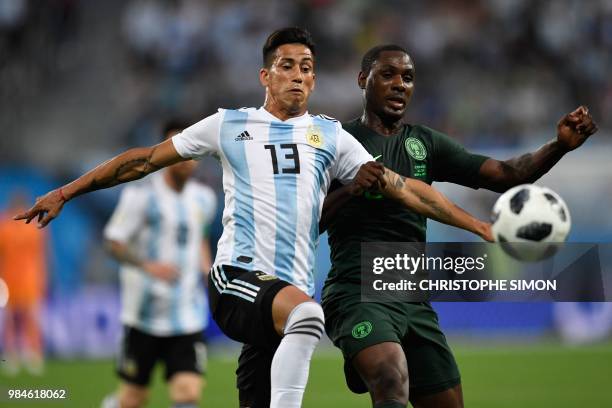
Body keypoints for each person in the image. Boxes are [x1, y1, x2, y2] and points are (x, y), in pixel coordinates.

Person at [15, 29, 492, 408]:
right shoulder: (229, 124)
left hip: (281, 305)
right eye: (287, 66)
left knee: (288, 339)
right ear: (266, 76)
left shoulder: (329, 136)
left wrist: (480, 227)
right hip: (237, 279)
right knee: (309, 316)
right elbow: (141, 161)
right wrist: (66, 191)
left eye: (307, 68)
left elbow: (408, 190)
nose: (298, 76)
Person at [319, 44, 598, 408]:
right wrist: (352, 190)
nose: (400, 84)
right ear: (362, 80)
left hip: (411, 295)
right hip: (356, 289)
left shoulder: (425, 143)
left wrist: (559, 146)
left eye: (408, 77)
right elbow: (311, 219)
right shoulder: (337, 143)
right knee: (390, 374)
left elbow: (507, 175)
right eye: (387, 75)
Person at [100, 120, 216, 408]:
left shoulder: (205, 199)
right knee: (133, 398)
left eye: (190, 151)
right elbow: (113, 242)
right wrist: (147, 265)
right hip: (143, 317)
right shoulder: (140, 196)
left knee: (188, 393)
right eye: (177, 149)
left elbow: (197, 237)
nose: (184, 158)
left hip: (187, 316)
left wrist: (207, 269)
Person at [0, 191, 48, 376]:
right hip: (24, 278)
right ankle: (29, 356)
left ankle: (19, 356)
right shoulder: (32, 226)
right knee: (25, 318)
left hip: (16, 278)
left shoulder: (6, 225)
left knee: (17, 319)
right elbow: (44, 255)